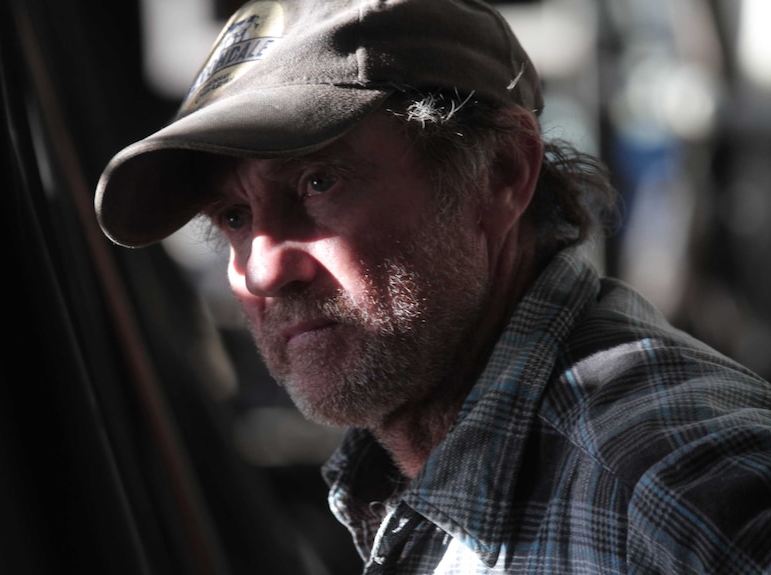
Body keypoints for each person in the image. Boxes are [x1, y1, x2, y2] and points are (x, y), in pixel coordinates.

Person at [94, 0, 771, 572]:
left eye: (318, 183)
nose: (264, 269)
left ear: (501, 174)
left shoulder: (681, 488)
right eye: (234, 217)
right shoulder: (423, 469)